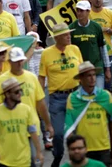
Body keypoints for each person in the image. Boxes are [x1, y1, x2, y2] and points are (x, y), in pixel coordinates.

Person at [39, 23, 84, 167]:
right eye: (65, 35)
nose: (69, 36)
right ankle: (57, 156)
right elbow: (41, 77)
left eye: (69, 34)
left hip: (75, 95)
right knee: (58, 133)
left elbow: (82, 71)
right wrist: (39, 98)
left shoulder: (75, 49)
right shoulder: (46, 53)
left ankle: (78, 161)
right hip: (57, 98)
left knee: (78, 132)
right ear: (57, 37)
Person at [63, 62, 112, 167]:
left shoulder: (105, 96)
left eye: (94, 75)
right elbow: (69, 125)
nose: (92, 78)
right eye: (88, 76)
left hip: (103, 148)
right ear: (81, 79)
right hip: (83, 149)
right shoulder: (73, 98)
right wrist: (73, 149)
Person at [0, 77, 44, 167]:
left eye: (20, 90)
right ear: (7, 94)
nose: (20, 94)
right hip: (4, 161)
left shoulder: (26, 109)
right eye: (16, 92)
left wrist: (38, 152)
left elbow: (33, 131)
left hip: (24, 161)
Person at [69, 0, 111, 89]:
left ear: (88, 11)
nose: (79, 13)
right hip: (80, 70)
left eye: (82, 11)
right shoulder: (71, 28)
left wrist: (107, 69)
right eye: (77, 10)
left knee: (98, 96)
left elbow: (102, 48)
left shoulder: (96, 27)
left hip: (96, 68)